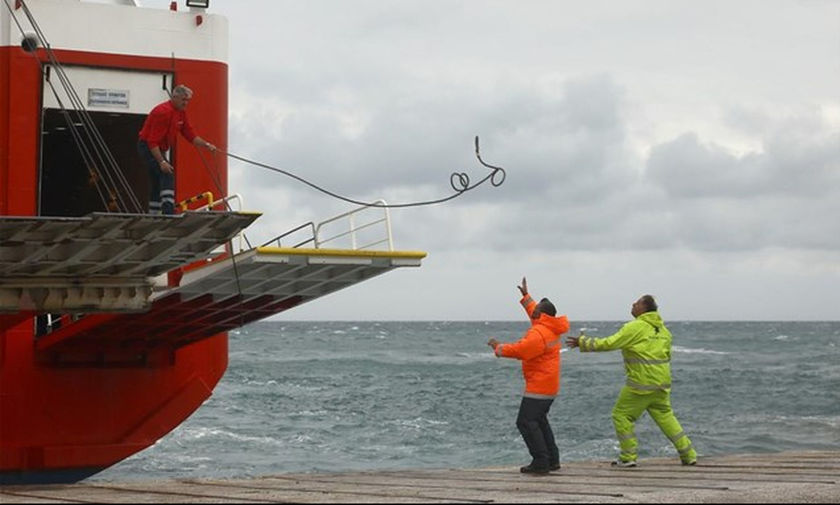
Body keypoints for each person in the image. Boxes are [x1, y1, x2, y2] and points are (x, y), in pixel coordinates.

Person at [565, 294, 697, 468]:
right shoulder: (664, 330)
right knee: (666, 417)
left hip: (641, 384)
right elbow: (667, 356)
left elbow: (610, 343)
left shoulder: (634, 327)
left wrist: (583, 342)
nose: (632, 306)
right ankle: (688, 454)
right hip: (662, 383)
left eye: (636, 304)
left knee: (621, 415)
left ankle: (628, 456)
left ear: (644, 308)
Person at [487, 277, 570, 475]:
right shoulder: (549, 327)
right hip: (549, 384)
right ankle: (552, 459)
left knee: (525, 422)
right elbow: (535, 312)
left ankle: (541, 461)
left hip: (539, 386)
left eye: (536, 309)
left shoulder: (539, 333)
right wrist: (526, 296)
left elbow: (522, 350)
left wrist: (499, 348)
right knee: (539, 420)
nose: (534, 311)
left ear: (542, 314)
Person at [137, 84, 216, 215]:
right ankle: (168, 211)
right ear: (174, 97)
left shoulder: (181, 113)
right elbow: (152, 141)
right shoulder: (162, 112)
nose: (185, 103)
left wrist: (207, 145)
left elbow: (190, 135)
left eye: (187, 101)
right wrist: (162, 162)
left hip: (159, 148)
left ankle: (154, 212)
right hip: (148, 147)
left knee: (157, 180)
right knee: (167, 173)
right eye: (183, 100)